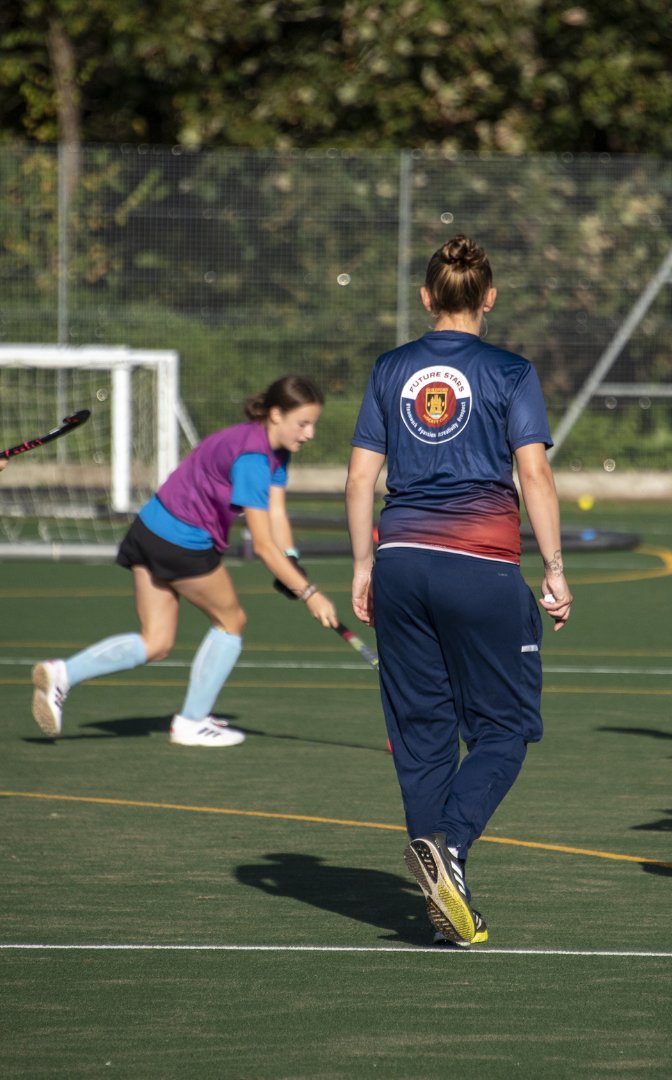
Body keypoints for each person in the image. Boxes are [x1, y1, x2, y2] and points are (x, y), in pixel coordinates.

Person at [346, 235, 572, 946]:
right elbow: (533, 474)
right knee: (506, 727)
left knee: (421, 739)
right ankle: (451, 847)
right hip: (479, 564)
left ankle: (444, 899)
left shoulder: (390, 368)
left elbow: (360, 477)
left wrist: (363, 565)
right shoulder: (510, 371)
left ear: (425, 298)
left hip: (401, 562)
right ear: (490, 298)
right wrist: (555, 567)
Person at [31, 375, 337, 747]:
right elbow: (262, 546)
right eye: (303, 423)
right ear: (276, 414)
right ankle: (192, 722)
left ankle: (62, 674)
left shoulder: (268, 447)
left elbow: (276, 512)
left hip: (148, 529)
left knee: (156, 642)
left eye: (313, 424)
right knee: (231, 621)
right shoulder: (254, 459)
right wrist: (309, 593)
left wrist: (292, 559)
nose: (310, 434)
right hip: (182, 542)